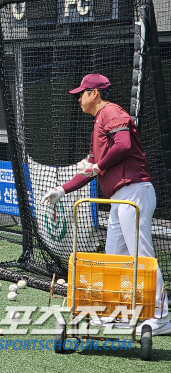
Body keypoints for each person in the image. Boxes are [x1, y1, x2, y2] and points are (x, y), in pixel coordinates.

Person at [42, 73, 170, 336]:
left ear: (95, 94)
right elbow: (90, 169)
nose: (78, 98)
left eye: (82, 93)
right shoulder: (98, 123)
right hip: (119, 197)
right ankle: (119, 315)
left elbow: (122, 145)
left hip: (133, 191)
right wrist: (61, 189)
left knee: (141, 256)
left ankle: (162, 317)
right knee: (114, 259)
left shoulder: (111, 111)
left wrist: (98, 166)